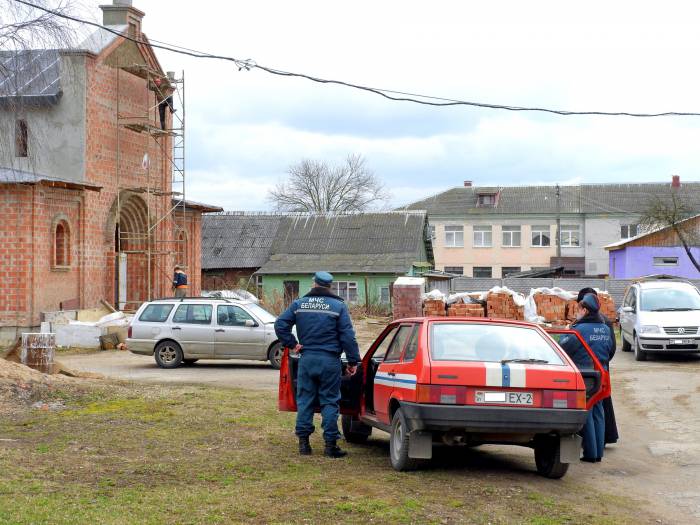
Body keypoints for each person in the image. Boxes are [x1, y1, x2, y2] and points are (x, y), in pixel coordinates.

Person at [274, 271, 361, 458]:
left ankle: (304, 445)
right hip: (329, 360)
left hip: (307, 359)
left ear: (314, 284)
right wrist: (353, 361)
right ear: (329, 286)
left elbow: (280, 324)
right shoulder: (338, 306)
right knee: (330, 401)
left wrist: (292, 343)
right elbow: (348, 336)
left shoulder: (299, 304)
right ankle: (330, 446)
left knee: (305, 400)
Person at [561, 293, 613, 462]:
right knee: (599, 413)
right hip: (602, 375)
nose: (577, 313)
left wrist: (567, 332)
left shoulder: (579, 330)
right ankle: (598, 453)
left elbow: (563, 348)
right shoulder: (605, 328)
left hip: (586, 378)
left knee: (587, 413)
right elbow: (611, 350)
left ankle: (590, 453)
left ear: (585, 310)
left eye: (579, 309)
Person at [577, 287, 619, 445]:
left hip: (587, 372)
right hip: (603, 370)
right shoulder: (605, 323)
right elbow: (612, 348)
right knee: (601, 408)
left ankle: (590, 446)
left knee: (587, 409)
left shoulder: (580, 326)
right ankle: (601, 443)